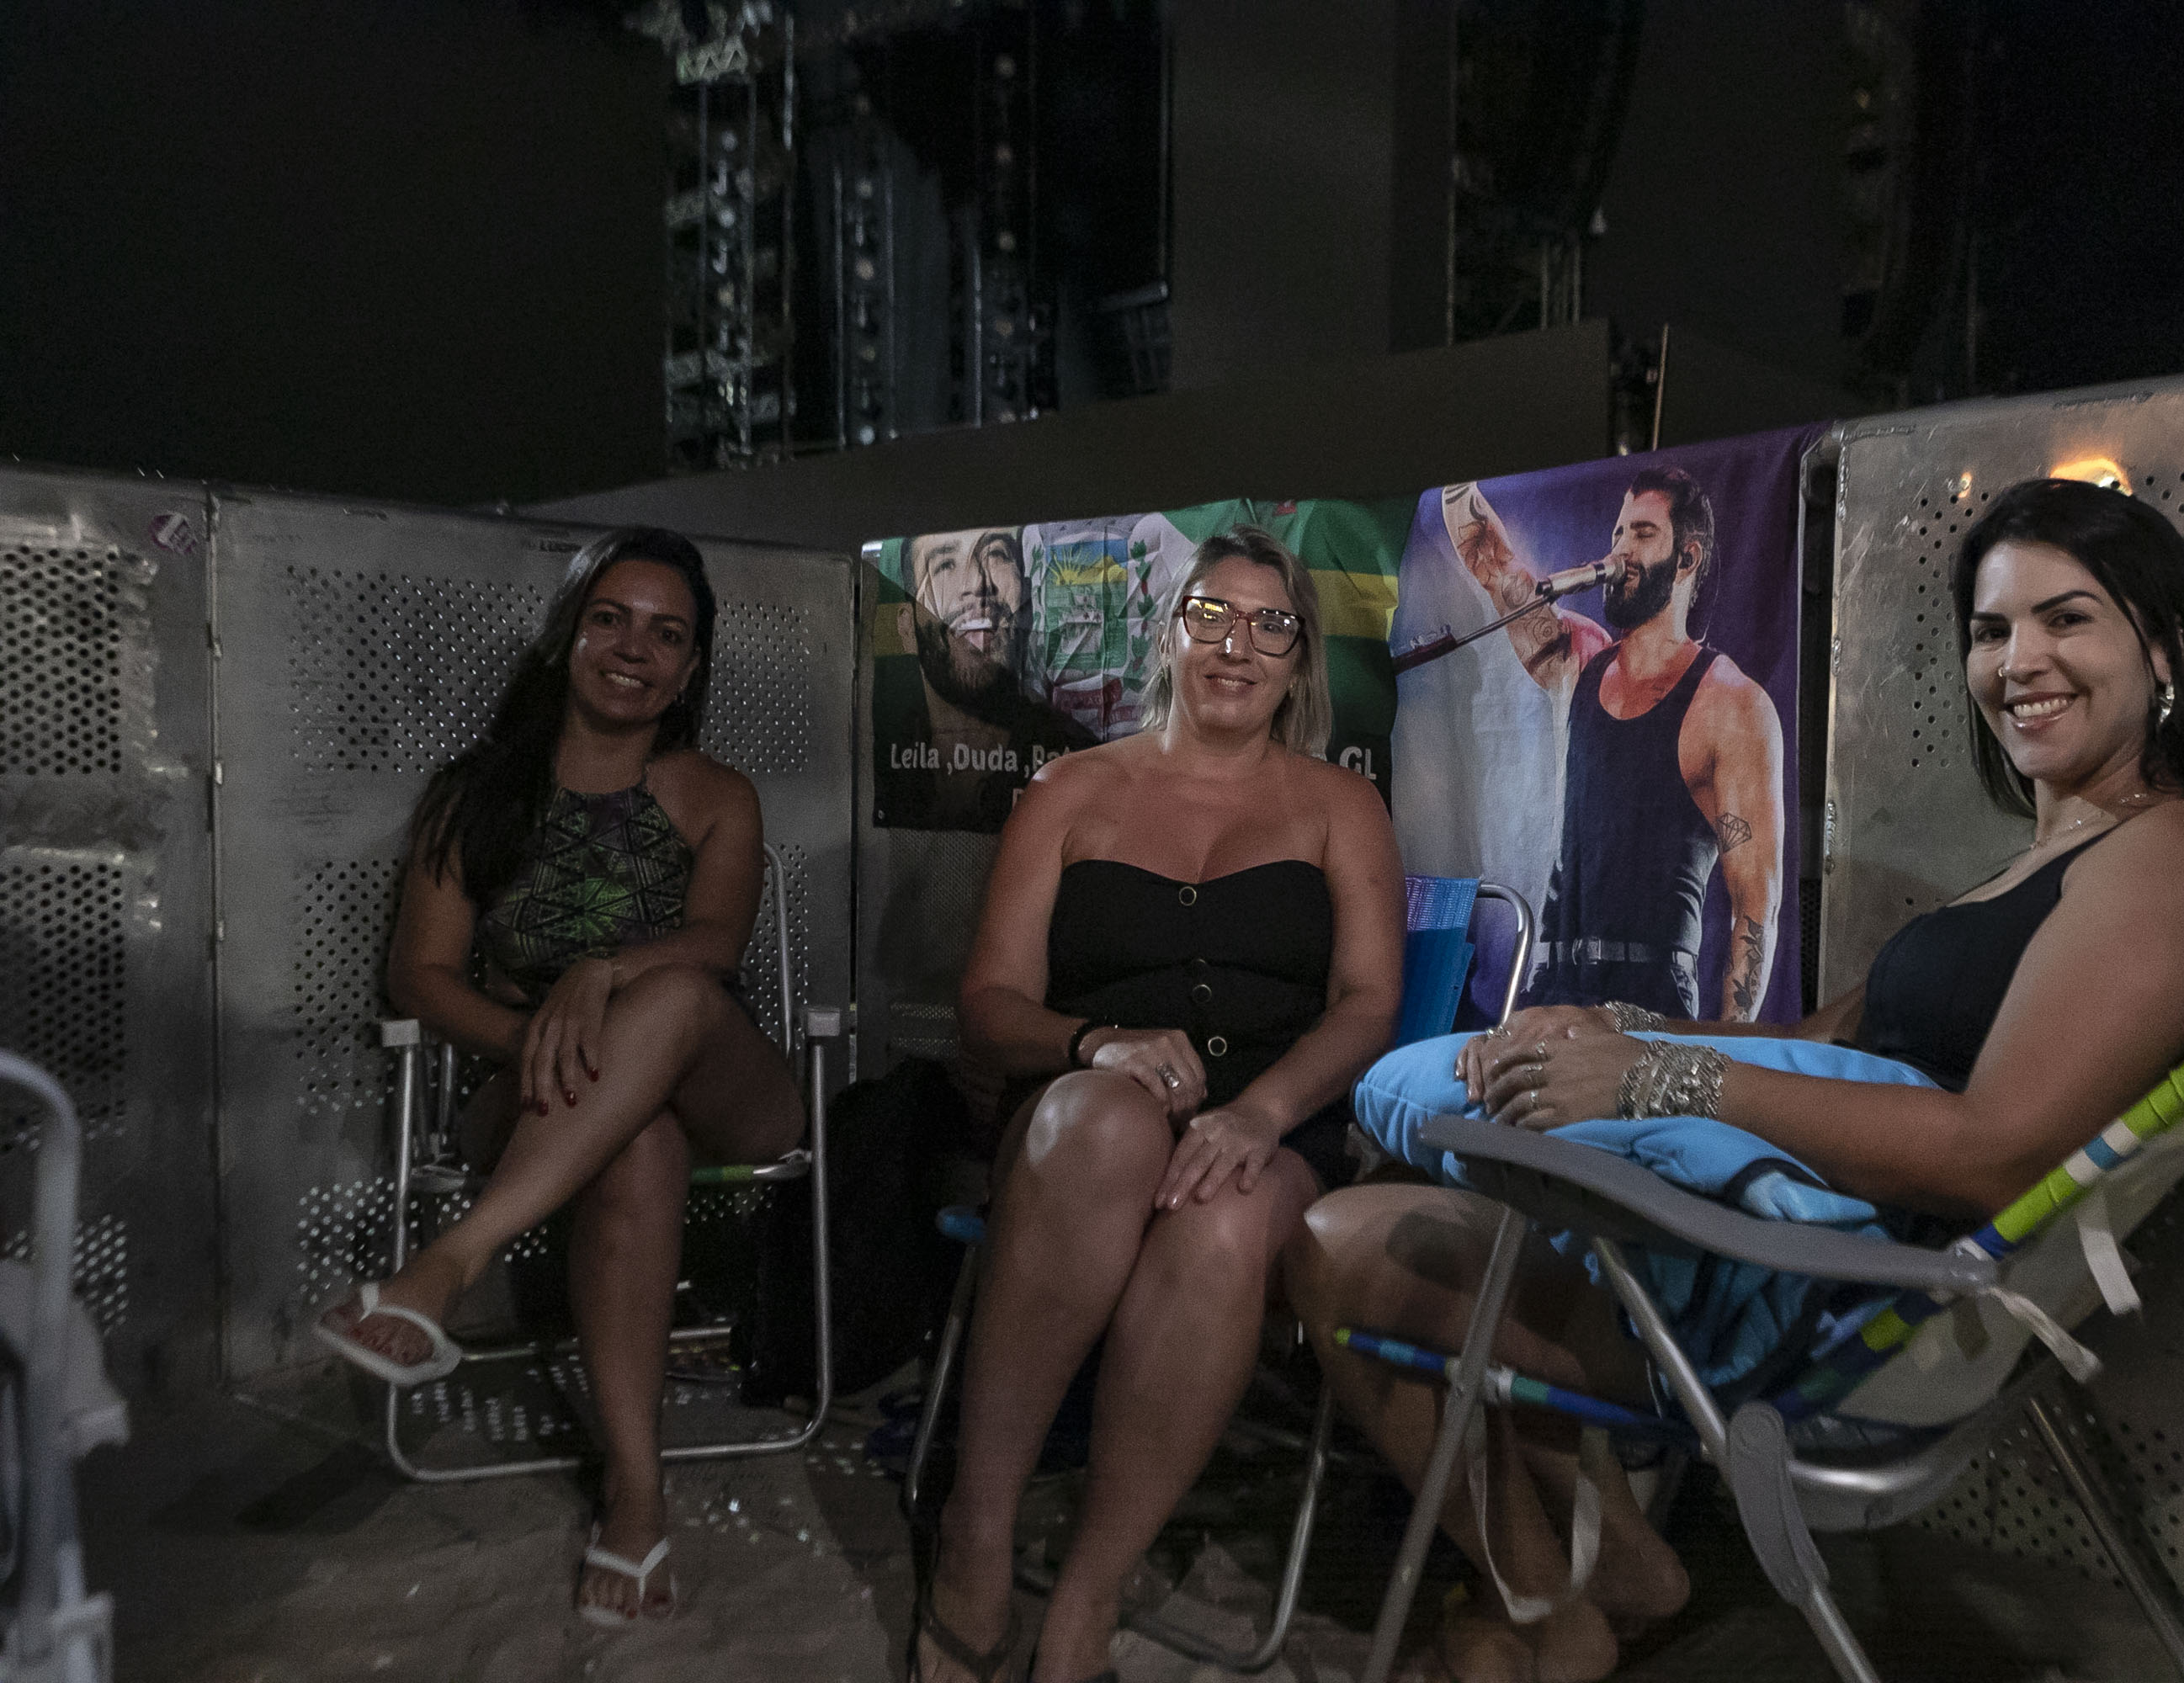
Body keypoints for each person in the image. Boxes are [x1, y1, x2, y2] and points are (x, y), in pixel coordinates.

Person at [1292, 479, 2184, 1683]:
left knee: (1365, 1247)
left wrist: (1658, 1080)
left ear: (2163, 648)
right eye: (1991, 630)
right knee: (1355, 1231)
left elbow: (2003, 1152)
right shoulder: (2046, 864)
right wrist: (1614, 1028)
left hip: (1849, 1303)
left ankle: (1565, 1608)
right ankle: (1596, 1589)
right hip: (1775, 1242)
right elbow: (1819, 1040)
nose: (2020, 661)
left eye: (2066, 619)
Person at [914, 526, 1405, 1683]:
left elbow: (1369, 1004)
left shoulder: (1342, 806)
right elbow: (988, 1006)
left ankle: (1088, 1594)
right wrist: (1097, 1042)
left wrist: (1262, 1113)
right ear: (1170, 634)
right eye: (1212, 615)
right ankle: (978, 1536)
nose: (1238, 646)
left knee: (1224, 1216)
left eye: (1270, 625)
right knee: (1108, 1123)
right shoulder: (1070, 791)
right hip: (1081, 1116)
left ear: (1299, 659)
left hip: (1273, 1123)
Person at [311, 528, 805, 1627]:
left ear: (690, 667)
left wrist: (603, 973)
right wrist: (542, 1038)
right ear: (566, 637)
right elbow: (421, 975)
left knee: (679, 999)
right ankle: (637, 1496)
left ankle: (451, 1261)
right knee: (637, 1138)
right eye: (611, 619)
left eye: (666, 634)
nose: (635, 648)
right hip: (535, 1090)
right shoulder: (477, 795)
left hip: (725, 1083)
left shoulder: (716, 794)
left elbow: (715, 946)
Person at [1445, 464, 1785, 1022]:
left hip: (1648, 1002)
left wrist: (1722, 1051)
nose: (1621, 549)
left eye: (1643, 533)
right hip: (1550, 989)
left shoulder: (1731, 705)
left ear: (1687, 559)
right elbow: (1493, 564)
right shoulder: (1579, 661)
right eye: (1618, 533)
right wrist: (1456, 478)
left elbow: (1754, 904)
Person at [876, 525, 1097, 831]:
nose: (978, 583)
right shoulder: (877, 765)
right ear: (906, 627)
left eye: (997, 555)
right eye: (945, 565)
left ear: (1028, 605)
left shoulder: (1077, 763)